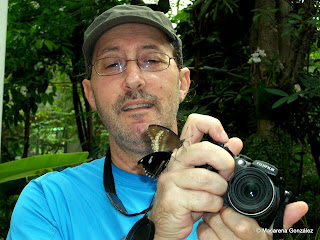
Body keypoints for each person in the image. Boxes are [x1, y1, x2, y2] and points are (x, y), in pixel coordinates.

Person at [7, 5, 308, 240]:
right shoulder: (48, 202)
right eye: (112, 64)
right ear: (90, 94)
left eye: (152, 60)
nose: (133, 79)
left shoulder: (244, 193)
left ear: (183, 82)